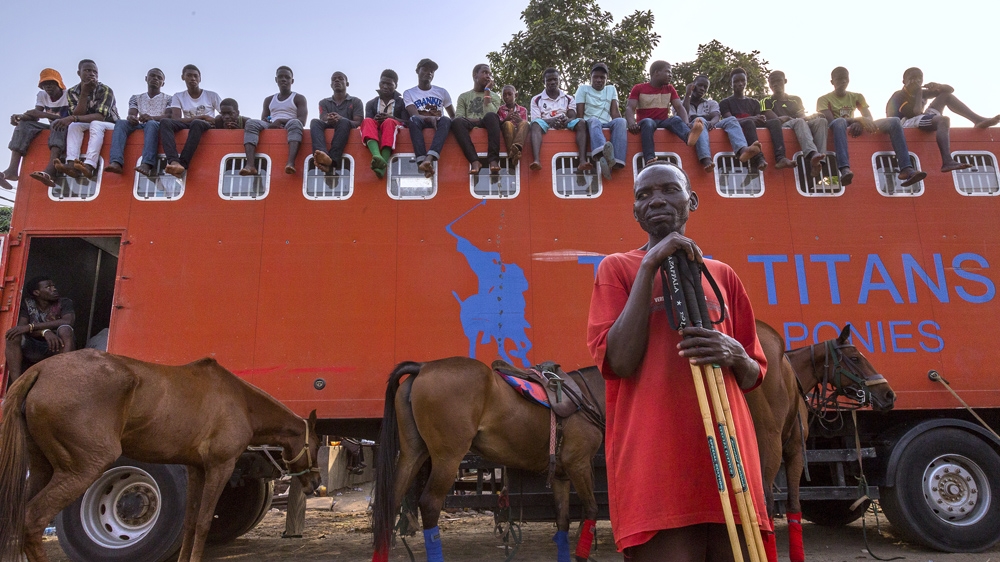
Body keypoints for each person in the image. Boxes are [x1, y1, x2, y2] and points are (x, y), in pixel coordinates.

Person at [586, 163, 769, 561]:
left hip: (728, 456)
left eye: (669, 189)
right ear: (635, 212)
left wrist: (734, 352)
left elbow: (755, 372)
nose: (656, 200)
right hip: (657, 461)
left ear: (692, 200)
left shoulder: (723, 275)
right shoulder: (616, 268)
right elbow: (618, 360)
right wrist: (651, 263)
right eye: (643, 195)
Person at [817, 67, 926, 188]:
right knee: (840, 122)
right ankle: (844, 169)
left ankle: (906, 168)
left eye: (845, 79)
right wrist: (857, 120)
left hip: (857, 124)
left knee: (894, 121)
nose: (843, 82)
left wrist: (859, 123)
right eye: (839, 79)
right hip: (839, 127)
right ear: (832, 82)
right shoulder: (823, 99)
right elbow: (832, 121)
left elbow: (868, 117)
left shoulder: (857, 96)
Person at [886, 67, 1000, 173]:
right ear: (904, 82)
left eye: (919, 78)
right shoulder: (899, 95)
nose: (915, 81)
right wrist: (919, 92)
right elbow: (915, 112)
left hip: (918, 117)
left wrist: (938, 86)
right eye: (911, 79)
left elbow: (950, 90)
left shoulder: (921, 91)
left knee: (946, 96)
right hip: (904, 124)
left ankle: (977, 120)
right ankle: (947, 161)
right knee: (943, 120)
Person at [30, 60, 119, 186]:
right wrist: (84, 93)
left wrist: (73, 118)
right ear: (79, 73)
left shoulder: (105, 89)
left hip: (109, 124)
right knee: (74, 125)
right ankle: (71, 164)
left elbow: (100, 116)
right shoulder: (72, 91)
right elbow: (78, 115)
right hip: (86, 122)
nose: (92, 74)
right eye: (87, 70)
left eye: (95, 72)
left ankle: (89, 165)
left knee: (94, 124)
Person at [1, 69, 70, 190]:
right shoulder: (42, 95)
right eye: (44, 84)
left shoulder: (69, 95)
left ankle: (51, 169)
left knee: (57, 123)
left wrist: (45, 115)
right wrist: (21, 117)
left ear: (59, 84)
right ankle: (12, 169)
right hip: (53, 127)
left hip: (68, 127)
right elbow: (36, 115)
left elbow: (71, 118)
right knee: (24, 124)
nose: (48, 86)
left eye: (51, 83)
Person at [624, 61, 701, 169]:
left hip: (663, 121)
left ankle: (688, 136)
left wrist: (686, 123)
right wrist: (632, 123)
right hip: (646, 122)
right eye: (668, 72)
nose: (671, 75)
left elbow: (679, 107)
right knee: (648, 122)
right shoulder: (639, 88)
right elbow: (629, 108)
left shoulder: (669, 88)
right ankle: (650, 158)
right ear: (656, 72)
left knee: (675, 119)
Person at [682, 75, 761, 173]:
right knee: (700, 120)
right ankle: (706, 159)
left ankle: (743, 150)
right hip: (695, 129)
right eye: (700, 85)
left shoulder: (712, 103)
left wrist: (712, 122)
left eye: (705, 87)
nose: (702, 89)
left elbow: (716, 116)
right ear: (693, 85)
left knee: (731, 119)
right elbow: (683, 115)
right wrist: (688, 94)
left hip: (711, 125)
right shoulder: (681, 103)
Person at [4, 276, 76, 384]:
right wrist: (45, 332)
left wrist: (32, 326)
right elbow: (22, 329)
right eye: (48, 287)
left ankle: (62, 377)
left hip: (57, 347)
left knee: (65, 330)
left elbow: (68, 321)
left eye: (53, 286)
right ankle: (17, 384)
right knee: (13, 336)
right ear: (37, 292)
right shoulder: (28, 304)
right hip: (34, 346)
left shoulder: (64, 302)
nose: (54, 289)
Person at [761, 71, 829, 178]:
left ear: (785, 81)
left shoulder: (796, 99)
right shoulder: (766, 101)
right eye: (772, 82)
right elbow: (776, 120)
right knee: (799, 121)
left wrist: (812, 116)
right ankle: (812, 154)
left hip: (799, 124)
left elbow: (802, 116)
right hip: (783, 128)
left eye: (778, 81)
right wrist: (796, 118)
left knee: (821, 121)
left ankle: (819, 162)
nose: (775, 84)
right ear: (769, 85)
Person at [104, 68, 172, 176]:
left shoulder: (169, 98)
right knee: (121, 123)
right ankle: (116, 162)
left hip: (156, 124)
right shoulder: (135, 98)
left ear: (163, 83)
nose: (155, 79)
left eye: (159, 78)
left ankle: (147, 164)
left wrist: (152, 118)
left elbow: (169, 115)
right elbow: (132, 113)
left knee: (151, 124)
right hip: (140, 124)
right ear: (146, 78)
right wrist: (132, 117)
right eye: (152, 76)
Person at [159, 65, 222, 178]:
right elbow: (176, 119)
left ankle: (183, 164)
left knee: (196, 123)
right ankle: (174, 161)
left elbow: (223, 115)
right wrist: (202, 116)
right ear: (183, 77)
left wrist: (208, 120)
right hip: (192, 123)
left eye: (195, 76)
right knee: (165, 122)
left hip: (206, 125)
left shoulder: (211, 95)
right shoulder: (178, 96)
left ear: (200, 78)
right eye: (189, 75)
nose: (192, 78)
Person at [242, 66, 307, 176]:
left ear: (292, 81)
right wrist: (271, 123)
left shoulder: (298, 98)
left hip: (290, 125)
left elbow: (302, 120)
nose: (283, 79)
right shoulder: (269, 100)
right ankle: (250, 165)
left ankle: (290, 163)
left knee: (296, 123)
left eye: (287, 77)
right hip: (272, 124)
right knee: (251, 123)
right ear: (276, 80)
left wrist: (281, 121)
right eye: (280, 77)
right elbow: (265, 118)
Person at [719, 68, 783, 171]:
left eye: (742, 80)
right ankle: (759, 158)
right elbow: (730, 121)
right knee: (749, 122)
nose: (740, 84)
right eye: (736, 81)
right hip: (740, 129)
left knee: (775, 122)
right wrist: (751, 118)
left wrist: (761, 118)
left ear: (746, 82)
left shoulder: (754, 102)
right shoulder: (725, 103)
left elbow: (757, 120)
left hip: (753, 128)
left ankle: (781, 157)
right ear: (731, 84)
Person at [527, 68, 588, 172]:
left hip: (564, 122)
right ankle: (536, 160)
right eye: (549, 80)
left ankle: (582, 160)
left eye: (555, 79)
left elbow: (572, 116)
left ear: (560, 81)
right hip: (545, 123)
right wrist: (552, 121)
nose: (552, 82)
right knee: (535, 125)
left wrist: (566, 120)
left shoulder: (568, 98)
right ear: (544, 82)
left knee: (581, 122)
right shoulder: (536, 99)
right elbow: (536, 119)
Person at [404, 59, 455, 178]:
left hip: (438, 123)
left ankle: (429, 159)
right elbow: (414, 115)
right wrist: (430, 118)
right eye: (425, 70)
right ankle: (422, 160)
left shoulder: (442, 92)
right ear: (417, 71)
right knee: (412, 121)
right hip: (420, 121)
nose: (429, 73)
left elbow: (452, 115)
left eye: (432, 71)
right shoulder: (409, 93)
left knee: (446, 120)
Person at [576, 62, 626, 179]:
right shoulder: (583, 89)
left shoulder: (611, 89)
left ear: (606, 79)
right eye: (596, 77)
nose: (599, 80)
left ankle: (615, 161)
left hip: (606, 123)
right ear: (591, 78)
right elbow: (580, 114)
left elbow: (615, 113)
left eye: (602, 77)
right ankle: (601, 152)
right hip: (591, 123)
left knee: (621, 121)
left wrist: (624, 128)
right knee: (594, 120)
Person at [452, 64, 502, 175]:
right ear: (475, 75)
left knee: (492, 117)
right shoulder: (464, 96)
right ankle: (474, 161)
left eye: (490, 74)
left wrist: (487, 91)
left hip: (486, 122)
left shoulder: (495, 96)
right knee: (456, 122)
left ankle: (493, 160)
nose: (488, 76)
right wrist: (476, 120)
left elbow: (490, 114)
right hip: (469, 124)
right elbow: (459, 117)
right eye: (485, 72)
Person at [310, 71, 363, 176]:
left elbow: (359, 122)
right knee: (314, 122)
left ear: (347, 83)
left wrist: (340, 118)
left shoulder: (356, 101)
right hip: (330, 125)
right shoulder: (323, 102)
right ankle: (322, 154)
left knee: (343, 122)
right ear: (331, 85)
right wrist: (329, 119)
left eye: (340, 78)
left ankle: (332, 160)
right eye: (334, 79)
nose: (337, 81)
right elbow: (323, 118)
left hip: (346, 127)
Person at [362, 69, 407, 179]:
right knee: (367, 121)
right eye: (383, 83)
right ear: (379, 83)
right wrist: (376, 119)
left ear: (395, 85)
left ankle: (383, 163)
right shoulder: (371, 103)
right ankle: (377, 156)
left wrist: (391, 117)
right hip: (377, 126)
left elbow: (407, 121)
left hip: (393, 125)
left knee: (389, 122)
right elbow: (368, 122)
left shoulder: (402, 102)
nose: (385, 86)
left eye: (389, 84)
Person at [497, 85, 528, 166]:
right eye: (504, 95)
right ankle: (514, 153)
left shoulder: (522, 110)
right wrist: (506, 119)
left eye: (509, 94)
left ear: (516, 95)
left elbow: (525, 126)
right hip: (507, 132)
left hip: (518, 134)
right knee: (508, 124)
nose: (507, 97)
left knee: (525, 123)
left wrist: (520, 120)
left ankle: (516, 147)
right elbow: (499, 125)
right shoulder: (500, 109)